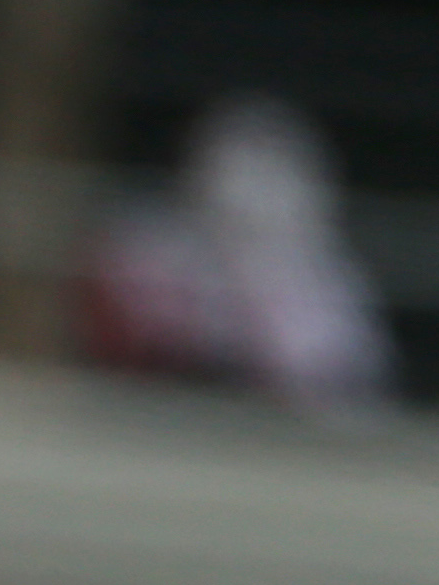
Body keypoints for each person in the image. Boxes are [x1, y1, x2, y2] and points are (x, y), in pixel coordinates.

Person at [72, 96, 394, 413]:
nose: (251, 190)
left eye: (271, 170)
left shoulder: (329, 283)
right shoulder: (155, 246)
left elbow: (336, 382)